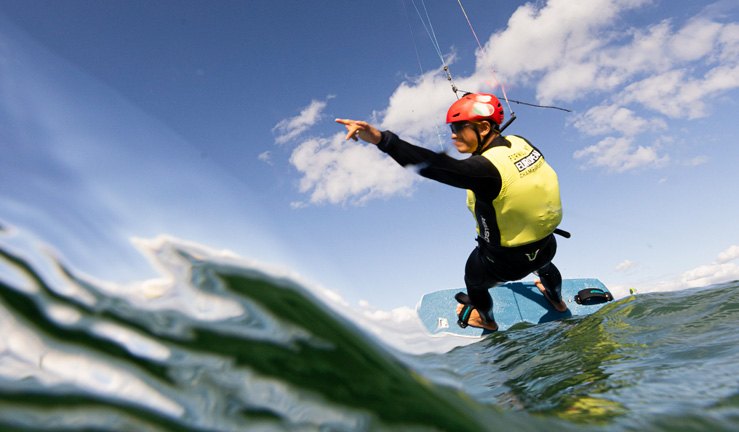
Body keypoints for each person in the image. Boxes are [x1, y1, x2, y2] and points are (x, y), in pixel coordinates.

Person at [336, 93, 566, 332]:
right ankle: (557, 301)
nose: (453, 135)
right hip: (547, 246)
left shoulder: (486, 170)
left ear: (485, 127)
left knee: (474, 281)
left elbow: (436, 166)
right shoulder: (521, 143)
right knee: (545, 266)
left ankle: (485, 319)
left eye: (458, 127)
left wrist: (381, 139)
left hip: (504, 263)